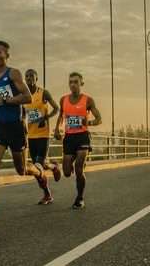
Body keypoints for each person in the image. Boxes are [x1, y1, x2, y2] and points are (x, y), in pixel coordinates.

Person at [0, 40, 49, 226]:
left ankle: (39, 171)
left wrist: (5, 101)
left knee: (21, 169)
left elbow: (27, 97)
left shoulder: (13, 73)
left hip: (15, 127)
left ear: (7, 55)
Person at [54, 72, 102, 209]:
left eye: (76, 82)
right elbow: (61, 116)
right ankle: (75, 161)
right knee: (67, 172)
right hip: (69, 138)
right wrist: (57, 129)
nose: (73, 85)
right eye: (70, 82)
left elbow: (99, 119)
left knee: (79, 169)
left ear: (81, 84)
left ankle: (80, 198)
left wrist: (89, 123)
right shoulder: (63, 99)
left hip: (82, 136)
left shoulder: (88, 100)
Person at [24, 69, 61, 205]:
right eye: (27, 76)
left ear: (36, 78)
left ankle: (53, 168)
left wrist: (46, 117)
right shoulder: (23, 96)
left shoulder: (43, 93)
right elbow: (22, 114)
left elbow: (56, 108)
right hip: (30, 136)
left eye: (31, 76)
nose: (29, 78)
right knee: (37, 169)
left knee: (39, 164)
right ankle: (53, 170)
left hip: (43, 134)